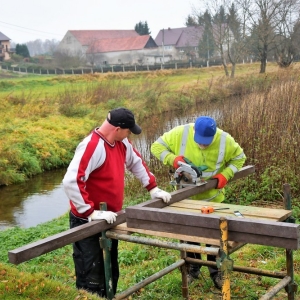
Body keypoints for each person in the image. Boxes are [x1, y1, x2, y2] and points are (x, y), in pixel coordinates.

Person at [63, 107, 171, 298]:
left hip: (109, 218)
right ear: (117, 128)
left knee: (110, 271)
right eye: (128, 130)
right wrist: (90, 212)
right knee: (91, 276)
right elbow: (72, 181)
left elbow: (136, 163)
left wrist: (153, 188)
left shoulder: (122, 143)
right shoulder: (92, 146)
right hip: (87, 222)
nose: (130, 134)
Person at [151, 116, 246, 289]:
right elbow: (156, 147)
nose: (203, 146)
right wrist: (173, 159)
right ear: (194, 131)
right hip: (185, 200)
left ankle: (217, 273)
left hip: (213, 200)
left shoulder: (225, 140)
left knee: (216, 239)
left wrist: (226, 175)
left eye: (207, 143)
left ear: (214, 134)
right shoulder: (181, 133)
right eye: (200, 142)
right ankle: (193, 267)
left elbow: (240, 158)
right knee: (189, 236)